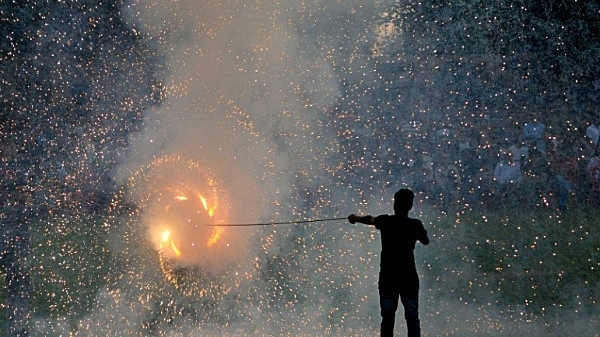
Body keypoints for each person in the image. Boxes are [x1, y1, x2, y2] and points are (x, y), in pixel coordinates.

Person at [348, 188, 430, 337]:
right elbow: (425, 241)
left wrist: (355, 217)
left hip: (388, 276)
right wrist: (419, 230)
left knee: (387, 316)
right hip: (408, 277)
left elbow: (369, 219)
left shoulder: (386, 221)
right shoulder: (415, 224)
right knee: (412, 316)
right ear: (410, 205)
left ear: (395, 204)